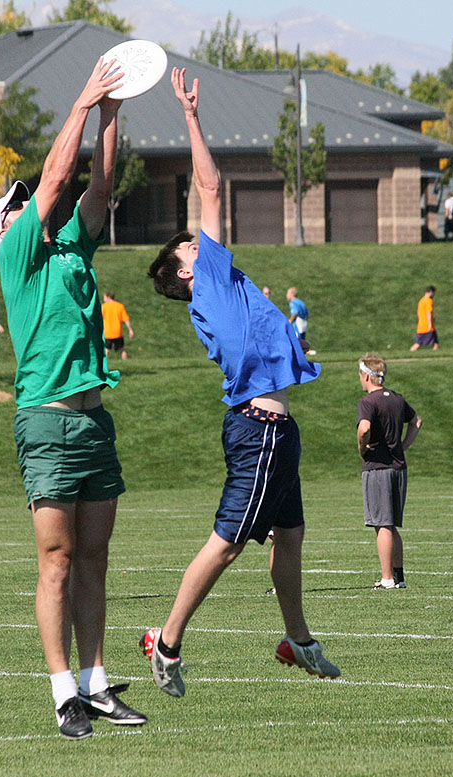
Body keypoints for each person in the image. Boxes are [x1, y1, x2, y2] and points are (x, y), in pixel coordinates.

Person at [141, 67, 340, 698]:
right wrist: (191, 116)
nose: (200, 242)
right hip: (259, 432)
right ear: (186, 272)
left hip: (278, 430)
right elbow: (210, 186)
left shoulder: (217, 286)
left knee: (292, 536)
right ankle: (166, 642)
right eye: (191, 246)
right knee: (227, 544)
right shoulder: (214, 285)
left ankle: (298, 640)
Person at [0, 57, 147, 739]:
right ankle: (61, 692)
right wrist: (81, 100)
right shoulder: (18, 254)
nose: (28, 203)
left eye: (25, 202)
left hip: (92, 419)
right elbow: (54, 178)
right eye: (15, 205)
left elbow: (97, 185)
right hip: (45, 422)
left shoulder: (72, 245)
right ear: (5, 230)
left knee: (97, 558)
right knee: (57, 560)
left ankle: (97, 683)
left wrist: (112, 113)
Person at [357, 354, 421, 589]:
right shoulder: (396, 398)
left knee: (382, 524)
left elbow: (364, 428)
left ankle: (387, 578)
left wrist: (362, 448)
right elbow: (416, 421)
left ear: (366, 375)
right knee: (391, 524)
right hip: (398, 467)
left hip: (378, 467)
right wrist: (404, 445)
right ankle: (399, 576)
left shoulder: (368, 401)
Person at [102, 291, 134, 360]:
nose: (104, 299)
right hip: (118, 332)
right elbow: (126, 319)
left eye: (104, 297)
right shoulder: (120, 306)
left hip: (108, 332)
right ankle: (125, 361)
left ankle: (105, 364)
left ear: (108, 297)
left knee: (106, 349)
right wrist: (130, 329)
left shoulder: (103, 307)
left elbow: (100, 319)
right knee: (122, 349)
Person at [410, 285, 438, 351]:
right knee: (418, 344)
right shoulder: (428, 300)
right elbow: (428, 312)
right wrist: (430, 324)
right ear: (431, 292)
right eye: (433, 293)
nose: (433, 294)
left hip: (422, 325)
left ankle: (435, 354)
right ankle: (411, 352)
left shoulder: (421, 300)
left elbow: (418, 312)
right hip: (427, 327)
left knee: (436, 342)